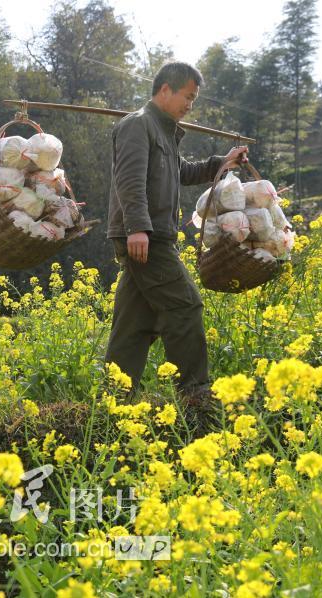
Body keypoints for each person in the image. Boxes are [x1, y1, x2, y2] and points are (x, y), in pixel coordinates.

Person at [104, 62, 248, 403]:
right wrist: (137, 227)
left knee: (134, 325)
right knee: (185, 305)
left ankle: (114, 398)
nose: (190, 106)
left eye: (194, 100)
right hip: (147, 237)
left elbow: (181, 172)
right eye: (187, 97)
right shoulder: (138, 126)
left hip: (151, 235)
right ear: (165, 90)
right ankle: (194, 392)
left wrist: (220, 163)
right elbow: (129, 181)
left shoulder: (164, 132)